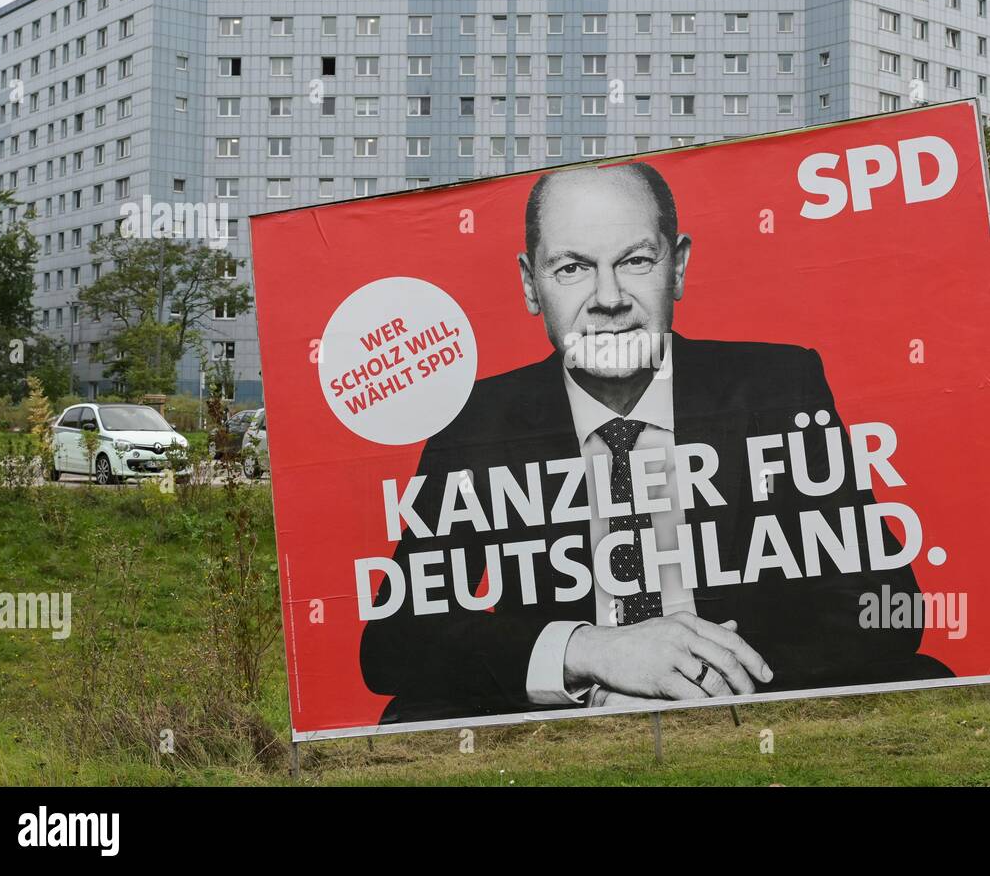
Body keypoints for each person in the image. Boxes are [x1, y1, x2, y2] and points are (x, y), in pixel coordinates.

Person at [360, 162, 950, 724]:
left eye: (636, 260)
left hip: (742, 702)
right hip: (563, 718)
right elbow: (394, 642)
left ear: (680, 267)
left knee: (925, 678)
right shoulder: (474, 419)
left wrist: (692, 674)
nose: (609, 297)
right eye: (572, 267)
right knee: (412, 716)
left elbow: (888, 608)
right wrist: (590, 653)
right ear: (530, 284)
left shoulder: (778, 387)